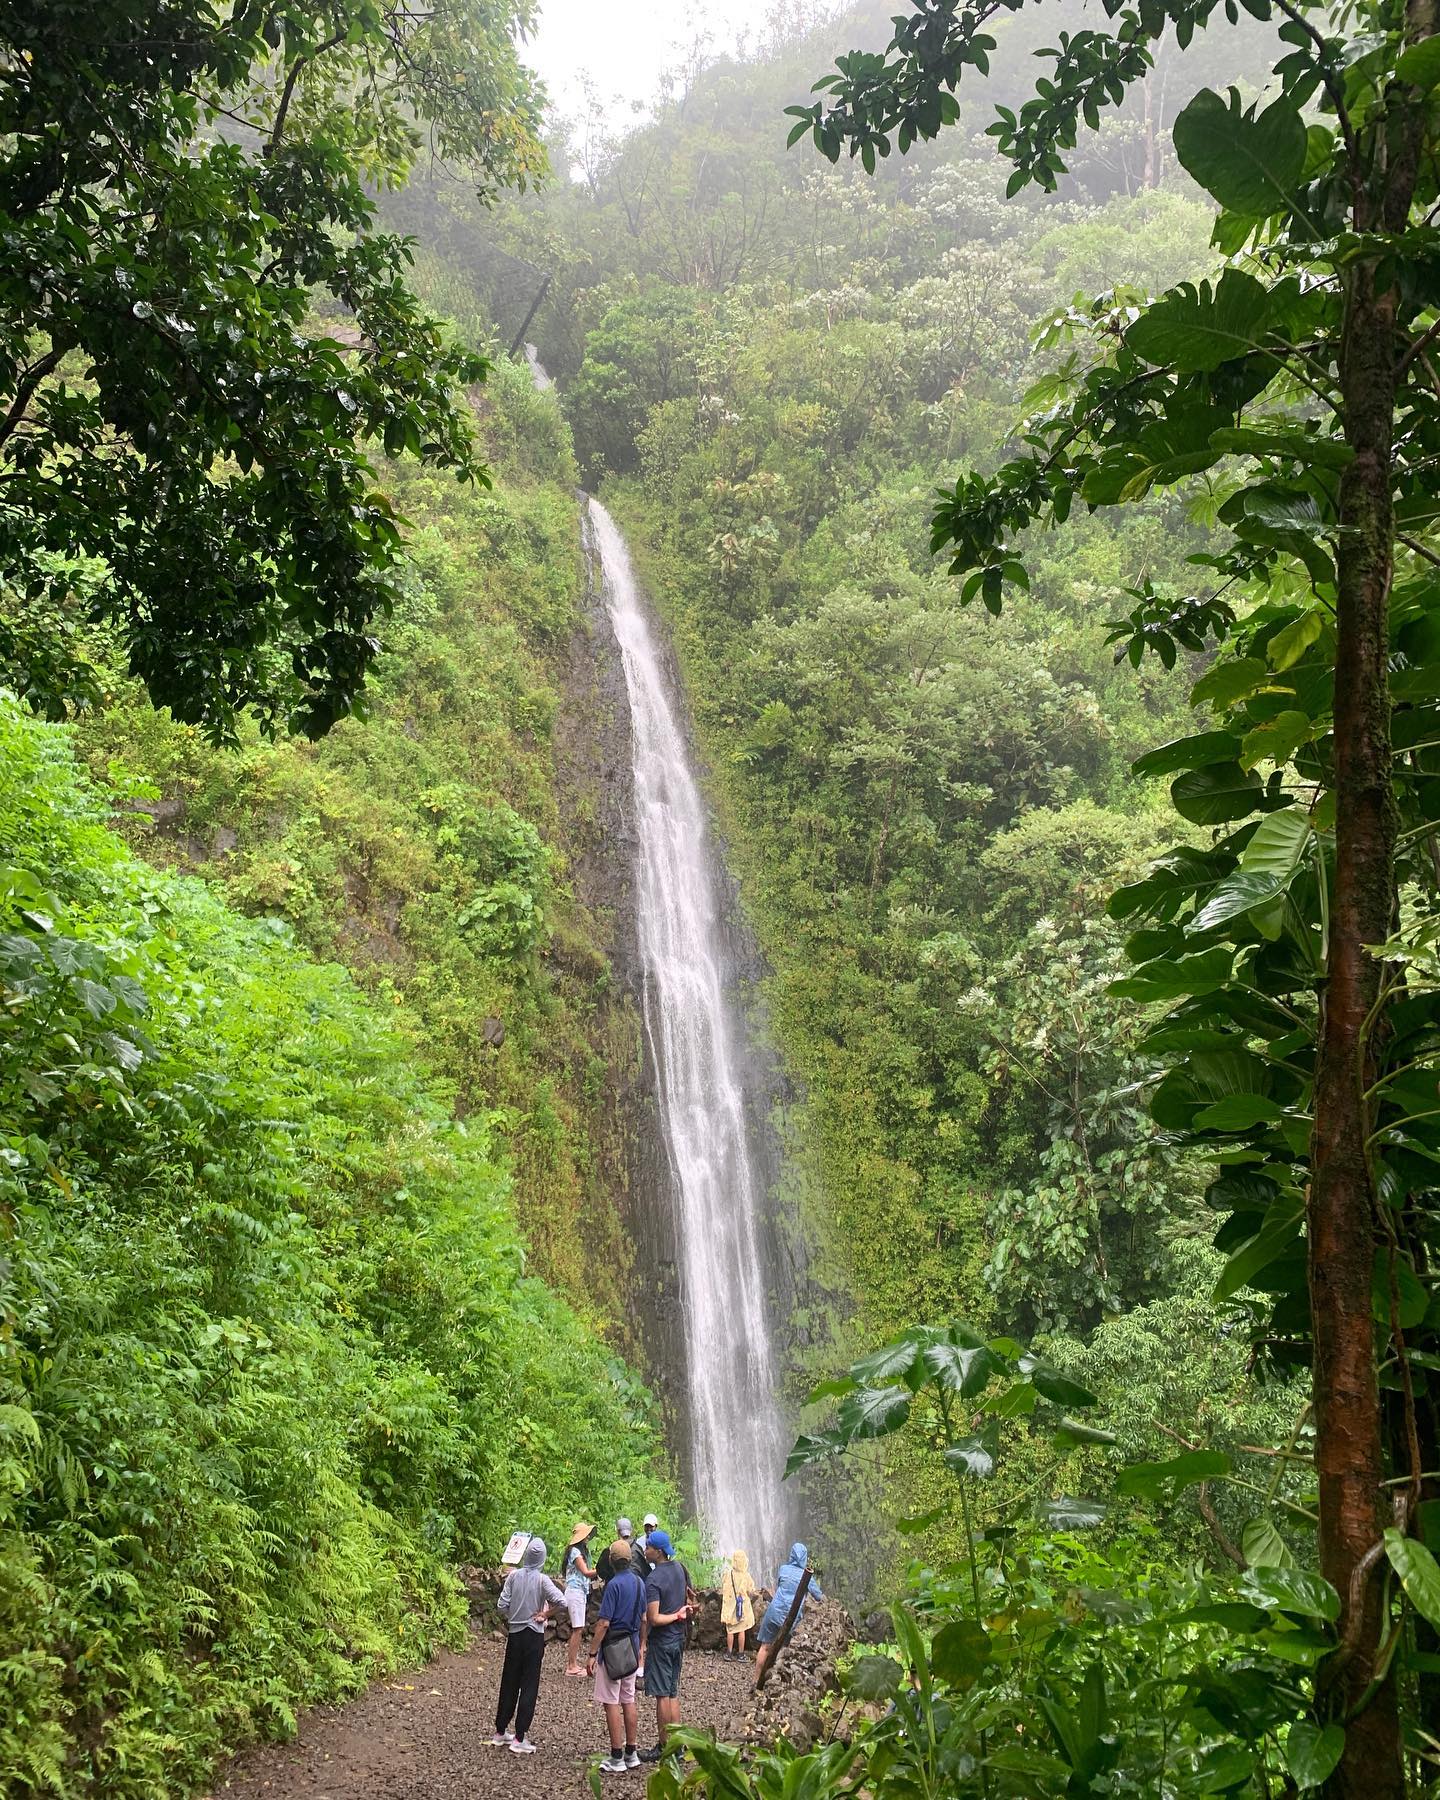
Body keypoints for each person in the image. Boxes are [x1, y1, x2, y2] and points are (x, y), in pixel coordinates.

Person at [491, 1537, 565, 1756]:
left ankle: (500, 1731)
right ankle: (520, 1736)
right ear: (542, 1559)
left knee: (509, 1681)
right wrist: (545, 1614)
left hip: (514, 1635)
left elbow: (501, 1604)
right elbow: (563, 1602)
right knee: (529, 1685)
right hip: (533, 1636)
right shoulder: (542, 1581)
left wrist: (514, 1616)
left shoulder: (513, 1577)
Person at [585, 1538, 647, 1775]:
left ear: (611, 1561)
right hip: (631, 1647)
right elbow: (643, 1619)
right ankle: (632, 1752)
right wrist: (642, 1645)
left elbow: (603, 1623)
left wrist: (592, 1653)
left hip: (612, 1647)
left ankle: (616, 1756)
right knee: (628, 1698)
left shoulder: (613, 1585)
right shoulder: (640, 1583)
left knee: (611, 1701)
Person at [637, 1528, 691, 1763]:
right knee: (672, 1692)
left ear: (657, 1552)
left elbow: (654, 1618)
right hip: (678, 1640)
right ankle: (678, 1746)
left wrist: (676, 1615)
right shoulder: (679, 1568)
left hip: (662, 1641)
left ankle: (664, 1746)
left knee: (661, 1695)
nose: (645, 1550)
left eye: (648, 1547)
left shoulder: (654, 1579)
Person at [753, 1543, 824, 1680]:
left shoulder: (783, 1569)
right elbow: (819, 1597)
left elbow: (781, 1584)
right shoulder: (806, 1576)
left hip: (773, 1612)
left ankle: (755, 1680)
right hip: (790, 1618)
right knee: (785, 1651)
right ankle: (775, 1682)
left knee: (765, 1647)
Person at [561, 1523, 597, 1675]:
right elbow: (586, 1572)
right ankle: (571, 1665)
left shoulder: (580, 1551)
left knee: (579, 1628)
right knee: (578, 1629)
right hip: (575, 1591)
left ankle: (573, 1663)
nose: (588, 1537)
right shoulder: (575, 1552)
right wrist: (603, 1568)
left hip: (579, 1591)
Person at [720, 1549, 758, 1658]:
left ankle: (729, 1652)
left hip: (730, 1606)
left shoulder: (728, 1574)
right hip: (742, 1607)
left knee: (730, 1630)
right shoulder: (746, 1576)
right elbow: (751, 1590)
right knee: (742, 1630)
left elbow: (724, 1586)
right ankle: (741, 1654)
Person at [595, 1517, 635, 1583]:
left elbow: (600, 1571)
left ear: (617, 1531)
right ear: (631, 1530)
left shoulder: (610, 1550)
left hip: (613, 1586)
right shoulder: (638, 1548)